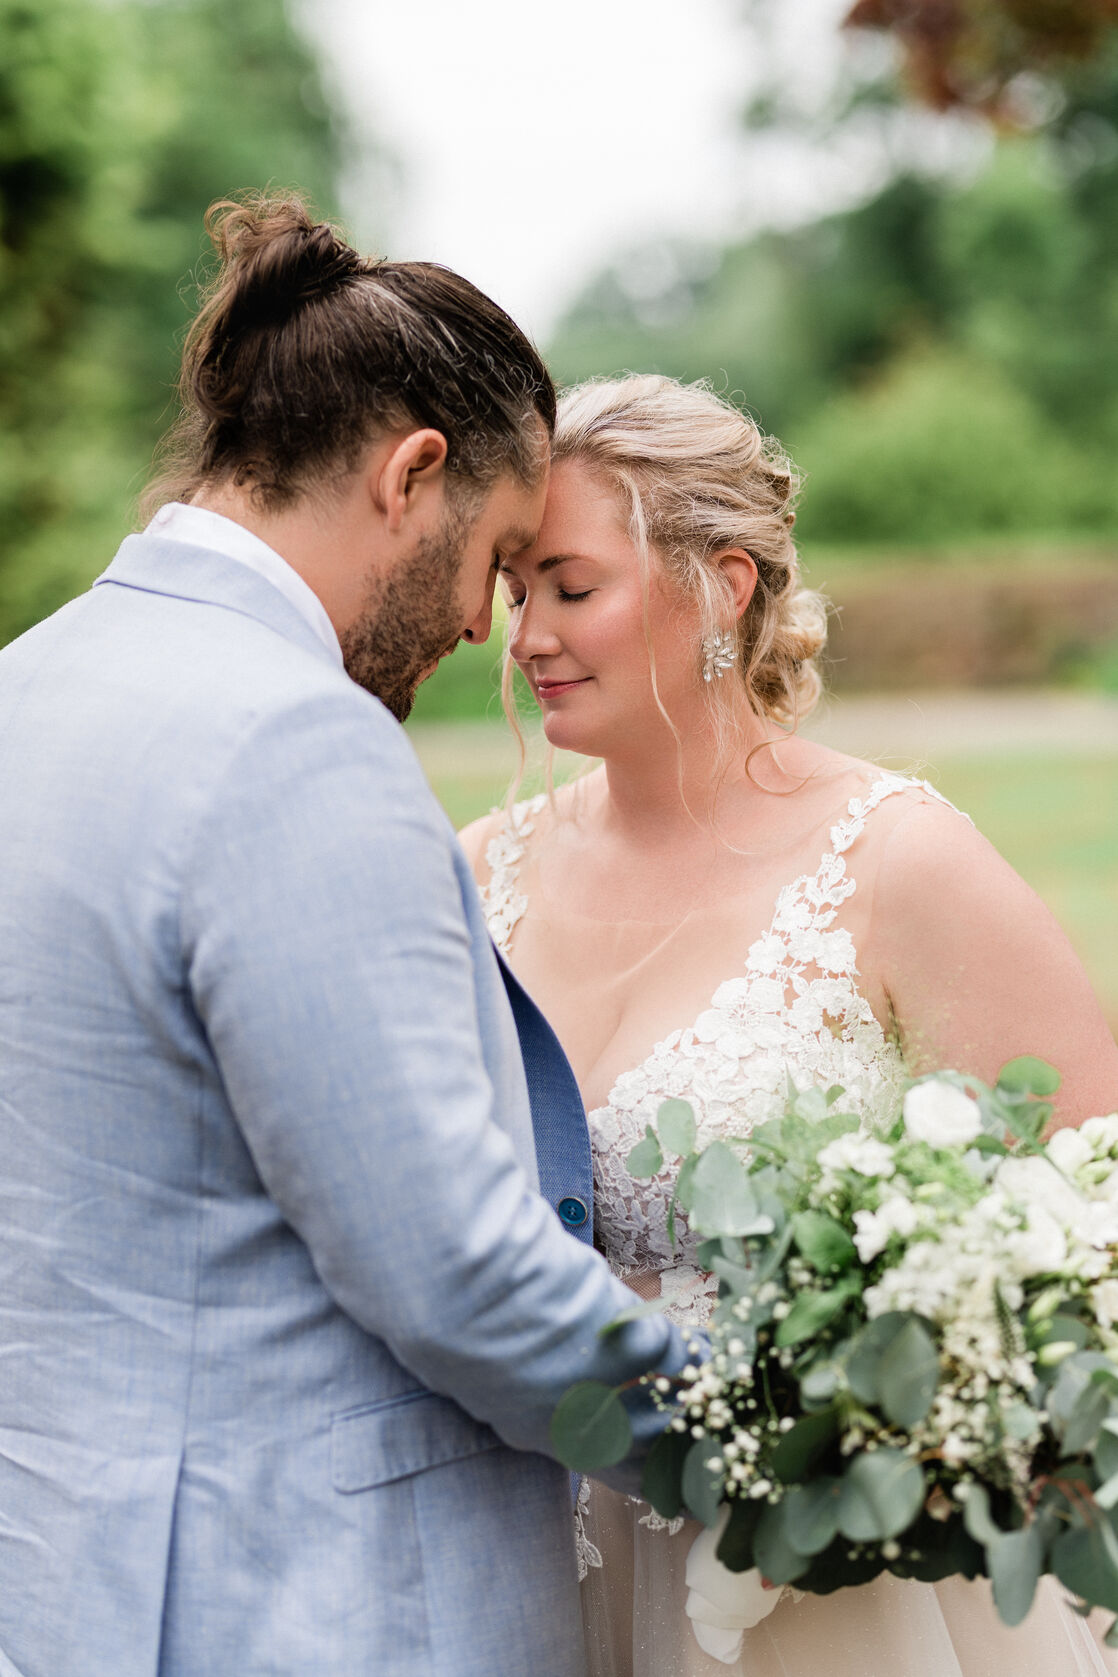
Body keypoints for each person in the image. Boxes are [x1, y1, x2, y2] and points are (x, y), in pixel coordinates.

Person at [0, 199, 692, 1677]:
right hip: (306, 1608)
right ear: (412, 474)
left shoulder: (29, 686)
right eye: (498, 560)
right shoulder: (292, 742)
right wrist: (780, 1454)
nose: (475, 630)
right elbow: (456, 1276)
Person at [461, 373, 1118, 1677]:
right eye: (513, 589)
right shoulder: (474, 873)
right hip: (521, 1570)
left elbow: (1088, 1215)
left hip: (822, 1598)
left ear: (723, 585)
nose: (526, 633)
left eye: (571, 587)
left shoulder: (895, 860)